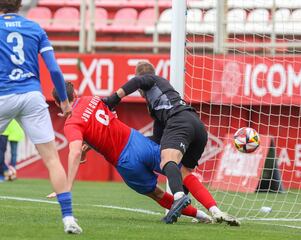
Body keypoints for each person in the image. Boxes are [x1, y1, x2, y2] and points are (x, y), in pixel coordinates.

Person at [52, 82, 238, 226]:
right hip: (137, 142)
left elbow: (74, 152)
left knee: (156, 193)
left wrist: (67, 185)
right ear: (75, 93)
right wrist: (89, 145)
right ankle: (214, 210)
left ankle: (201, 216)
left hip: (124, 162)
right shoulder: (90, 99)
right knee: (180, 170)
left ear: (56, 102)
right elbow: (103, 122)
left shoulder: (71, 124)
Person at [102, 61, 240, 225]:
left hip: (180, 121)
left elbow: (138, 81)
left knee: (168, 160)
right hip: (197, 126)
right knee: (184, 174)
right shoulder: (159, 103)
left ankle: (179, 198)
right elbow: (158, 139)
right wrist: (139, 144)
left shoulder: (150, 81)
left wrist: (113, 99)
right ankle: (215, 211)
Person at [0, 0, 81, 234]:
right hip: (32, 97)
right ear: (19, 5)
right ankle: (68, 219)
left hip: (3, 95)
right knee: (52, 160)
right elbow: (54, 70)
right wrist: (65, 103)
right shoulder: (35, 28)